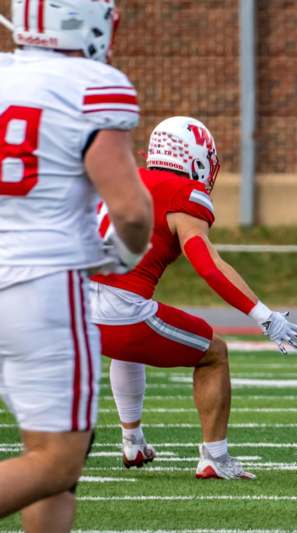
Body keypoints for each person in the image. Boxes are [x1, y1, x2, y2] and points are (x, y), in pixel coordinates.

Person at [0, 0, 153, 529]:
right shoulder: (92, 83)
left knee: (49, 461)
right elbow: (131, 211)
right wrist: (122, 256)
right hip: (40, 282)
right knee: (58, 458)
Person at [90, 116, 297, 480]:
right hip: (119, 307)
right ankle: (215, 457)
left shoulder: (118, 177)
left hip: (68, 303)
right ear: (195, 157)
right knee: (213, 353)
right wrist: (264, 315)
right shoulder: (183, 194)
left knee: (126, 349)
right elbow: (208, 266)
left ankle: (132, 442)